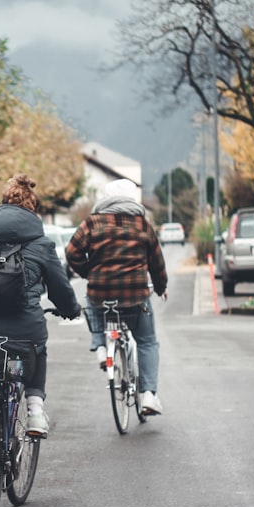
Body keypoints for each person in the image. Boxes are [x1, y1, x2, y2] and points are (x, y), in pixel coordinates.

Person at [0, 174, 81, 487]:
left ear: (2, 204)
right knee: (37, 350)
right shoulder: (41, 243)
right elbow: (60, 289)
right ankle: (35, 410)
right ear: (33, 209)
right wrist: (71, 310)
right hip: (24, 329)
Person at [65, 178, 168, 415]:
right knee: (147, 341)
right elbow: (157, 262)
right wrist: (161, 287)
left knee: (92, 301)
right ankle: (148, 395)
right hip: (136, 298)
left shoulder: (92, 223)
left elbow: (71, 253)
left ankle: (100, 346)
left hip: (101, 294)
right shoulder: (143, 225)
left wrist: (89, 273)